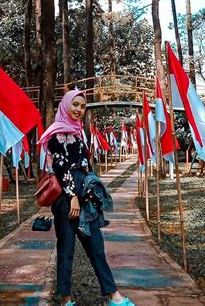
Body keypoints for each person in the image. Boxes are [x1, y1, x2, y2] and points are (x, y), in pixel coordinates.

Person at [39, 89, 135, 306]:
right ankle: (65, 299)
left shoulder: (78, 133)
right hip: (65, 199)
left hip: (86, 196)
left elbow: (85, 165)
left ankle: (114, 297)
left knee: (96, 247)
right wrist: (72, 196)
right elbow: (61, 166)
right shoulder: (55, 134)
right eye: (75, 105)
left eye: (82, 106)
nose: (79, 110)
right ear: (65, 105)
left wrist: (92, 190)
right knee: (66, 249)